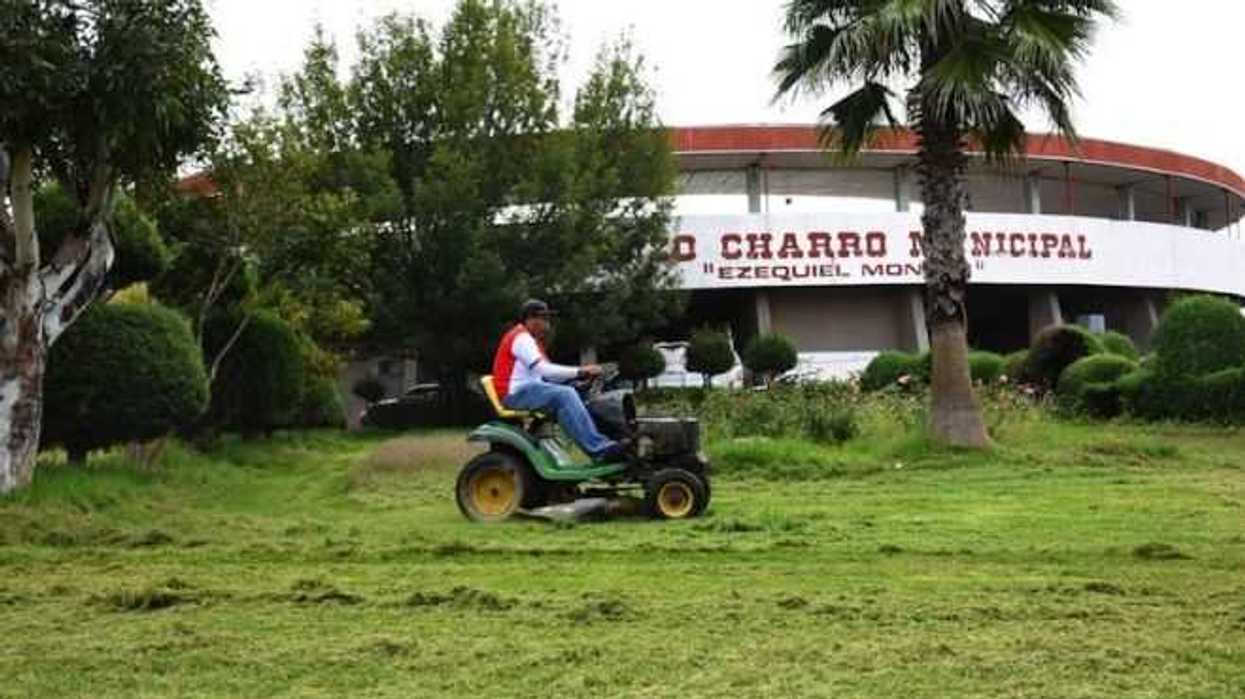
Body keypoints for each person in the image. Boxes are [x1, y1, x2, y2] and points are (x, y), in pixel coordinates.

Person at [491, 299, 629, 462]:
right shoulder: (521, 338)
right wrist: (580, 371)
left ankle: (619, 441)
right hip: (515, 394)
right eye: (544, 318)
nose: (547, 323)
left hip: (529, 389)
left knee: (579, 393)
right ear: (531, 319)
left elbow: (549, 375)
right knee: (564, 394)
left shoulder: (531, 340)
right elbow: (544, 370)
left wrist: (579, 379)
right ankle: (600, 450)